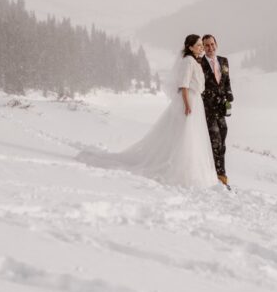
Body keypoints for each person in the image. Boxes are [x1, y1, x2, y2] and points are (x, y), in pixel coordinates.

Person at [77, 34, 220, 188]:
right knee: (186, 135)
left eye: (201, 45)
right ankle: (183, 170)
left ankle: (191, 170)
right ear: (190, 47)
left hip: (195, 100)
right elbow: (184, 85)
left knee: (191, 135)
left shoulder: (194, 61)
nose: (201, 48)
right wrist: (187, 105)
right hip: (190, 100)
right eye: (198, 45)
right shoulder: (188, 62)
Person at [199, 34, 233, 186]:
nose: (210, 48)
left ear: (216, 44)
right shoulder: (199, 63)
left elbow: (226, 81)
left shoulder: (223, 61)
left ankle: (218, 172)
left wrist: (229, 94)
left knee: (223, 137)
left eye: (212, 44)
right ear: (203, 47)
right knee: (215, 141)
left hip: (221, 108)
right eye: (206, 45)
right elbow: (198, 87)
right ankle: (220, 175)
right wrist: (211, 96)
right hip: (207, 109)